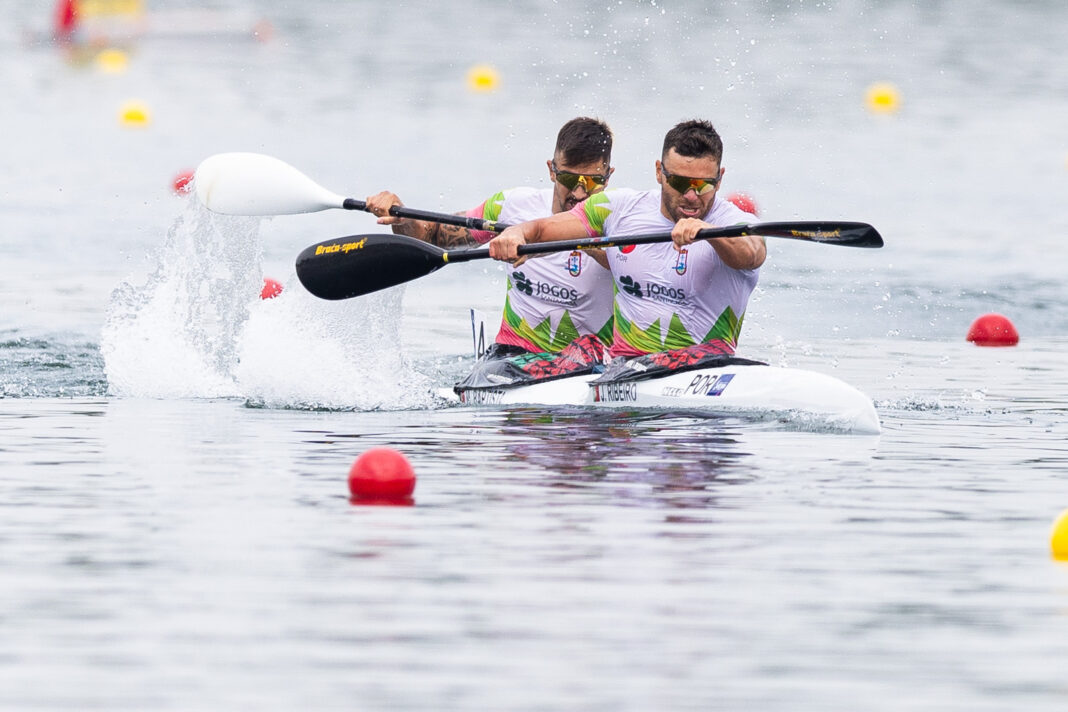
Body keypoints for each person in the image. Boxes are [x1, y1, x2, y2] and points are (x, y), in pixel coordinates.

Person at [487, 119, 765, 372]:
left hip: (704, 367)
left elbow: (753, 254)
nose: (691, 195)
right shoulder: (619, 208)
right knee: (585, 349)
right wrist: (517, 234)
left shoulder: (736, 222)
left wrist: (710, 233)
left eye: (703, 186)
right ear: (659, 172)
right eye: (680, 183)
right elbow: (543, 229)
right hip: (625, 373)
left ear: (720, 178)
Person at [365, 117, 617, 388]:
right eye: (569, 178)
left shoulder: (622, 218)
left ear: (609, 176)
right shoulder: (513, 205)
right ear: (552, 171)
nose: (579, 193)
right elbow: (433, 236)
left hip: (592, 359)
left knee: (587, 348)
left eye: (591, 183)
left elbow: (641, 270)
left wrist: (586, 241)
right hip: (514, 356)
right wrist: (404, 218)